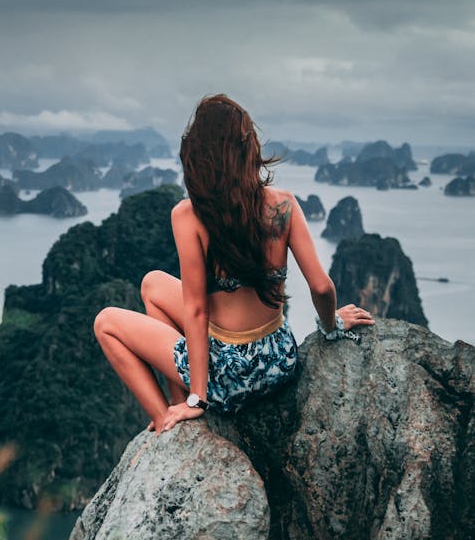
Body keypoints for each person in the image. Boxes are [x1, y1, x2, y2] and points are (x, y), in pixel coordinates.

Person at [93, 94, 374, 434]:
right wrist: (331, 328)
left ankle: (167, 419)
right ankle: (177, 399)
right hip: (278, 362)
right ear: (248, 148)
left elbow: (197, 310)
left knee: (105, 322)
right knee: (152, 283)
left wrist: (200, 396)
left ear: (199, 156)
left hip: (227, 377)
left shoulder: (188, 215)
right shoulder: (283, 205)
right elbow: (321, 286)